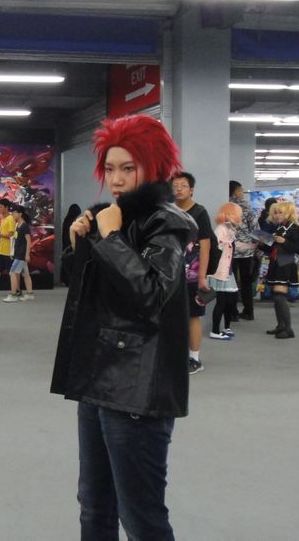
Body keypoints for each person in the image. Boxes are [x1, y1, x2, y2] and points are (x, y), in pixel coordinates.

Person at [51, 114, 194, 540]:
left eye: (128, 168)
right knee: (94, 505)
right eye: (110, 168)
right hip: (99, 379)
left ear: (153, 167)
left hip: (137, 388)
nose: (116, 179)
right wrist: (81, 245)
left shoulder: (166, 224)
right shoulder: (112, 218)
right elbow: (95, 295)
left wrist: (110, 239)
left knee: (141, 517)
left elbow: (150, 296)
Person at [172, 171, 213, 375]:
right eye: (175, 186)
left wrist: (202, 277)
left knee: (193, 316)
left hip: (192, 273)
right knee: (171, 315)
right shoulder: (168, 211)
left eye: (183, 186)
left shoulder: (199, 212)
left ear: (191, 190)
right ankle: (175, 355)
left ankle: (194, 358)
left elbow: (205, 246)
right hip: (170, 273)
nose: (178, 189)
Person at [263, 201, 299, 340]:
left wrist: (284, 241)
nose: (276, 215)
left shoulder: (295, 228)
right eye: (275, 213)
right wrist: (261, 243)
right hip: (276, 263)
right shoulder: (280, 227)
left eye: (280, 212)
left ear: (288, 213)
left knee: (280, 296)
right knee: (276, 296)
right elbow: (273, 247)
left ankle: (288, 329)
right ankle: (281, 325)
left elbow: (298, 248)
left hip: (285, 264)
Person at [208, 202, 242, 340]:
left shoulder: (229, 229)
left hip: (228, 270)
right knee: (222, 301)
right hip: (221, 271)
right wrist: (227, 242)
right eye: (236, 214)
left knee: (229, 301)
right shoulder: (220, 229)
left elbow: (235, 247)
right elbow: (215, 249)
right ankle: (215, 330)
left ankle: (226, 327)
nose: (238, 218)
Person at [229, 181, 259, 321]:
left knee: (232, 281)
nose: (242, 193)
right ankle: (248, 311)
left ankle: (232, 312)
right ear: (235, 191)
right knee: (246, 281)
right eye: (241, 190)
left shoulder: (224, 206)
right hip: (246, 250)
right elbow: (255, 228)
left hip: (230, 249)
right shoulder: (246, 207)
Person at [3, 204, 34, 302]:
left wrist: (27, 254)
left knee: (12, 272)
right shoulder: (18, 225)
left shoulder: (24, 226)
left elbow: (28, 241)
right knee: (26, 274)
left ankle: (13, 295)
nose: (12, 214)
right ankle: (30, 294)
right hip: (18, 253)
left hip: (21, 254)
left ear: (20, 214)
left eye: (14, 213)